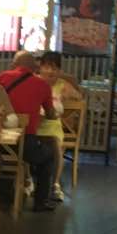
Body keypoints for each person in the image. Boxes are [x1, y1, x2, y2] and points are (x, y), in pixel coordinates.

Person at [0, 52, 58, 212]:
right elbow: (50, 114)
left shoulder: (2, 77)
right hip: (25, 142)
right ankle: (41, 201)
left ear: (15, 63)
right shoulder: (43, 85)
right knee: (48, 155)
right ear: (34, 67)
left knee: (5, 158)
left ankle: (5, 194)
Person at [37, 52, 78, 202]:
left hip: (53, 126)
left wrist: (67, 108)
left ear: (59, 70)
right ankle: (28, 181)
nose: (50, 71)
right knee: (27, 142)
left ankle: (55, 184)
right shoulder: (34, 82)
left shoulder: (63, 85)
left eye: (54, 68)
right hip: (35, 124)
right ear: (40, 67)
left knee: (56, 147)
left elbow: (80, 98)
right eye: (46, 67)